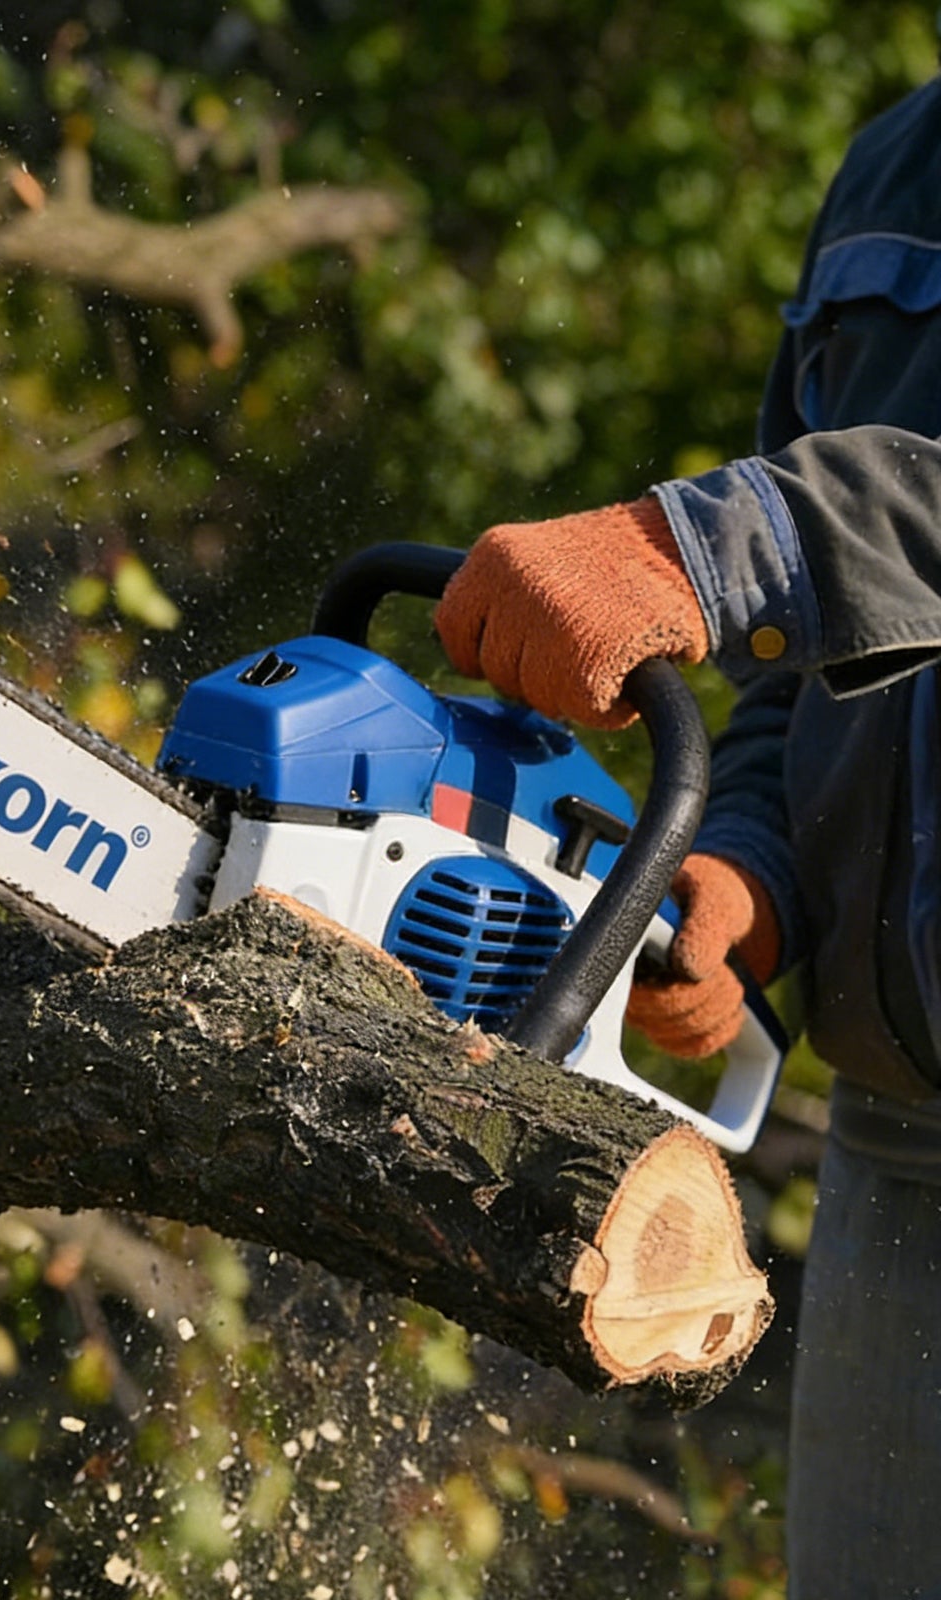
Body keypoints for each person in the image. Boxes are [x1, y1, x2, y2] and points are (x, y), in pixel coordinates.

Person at [433, 72, 941, 1598]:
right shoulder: (898, 171)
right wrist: (753, 872)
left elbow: (792, 554)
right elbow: (819, 653)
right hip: (904, 1142)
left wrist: (720, 539)